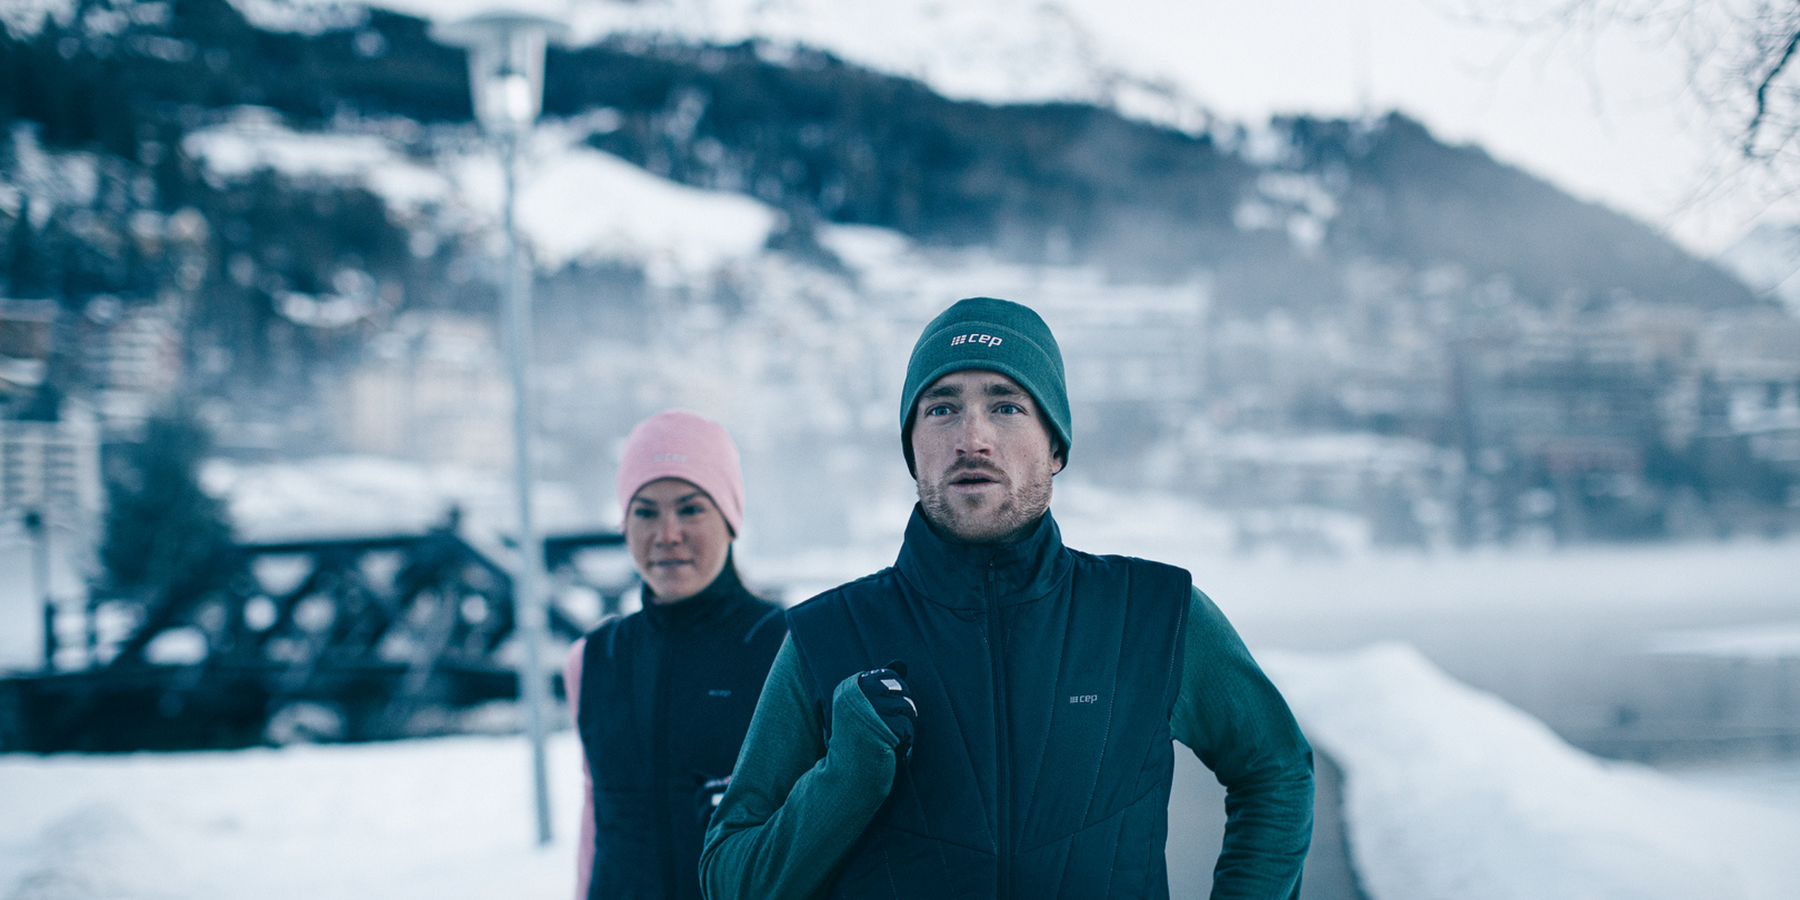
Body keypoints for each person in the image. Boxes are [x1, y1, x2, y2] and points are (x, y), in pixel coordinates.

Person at [699, 298, 1314, 900]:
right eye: (942, 408)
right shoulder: (826, 638)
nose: (973, 438)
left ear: (1056, 445)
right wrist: (844, 777)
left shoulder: (1156, 616)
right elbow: (730, 877)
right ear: (912, 449)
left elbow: (1276, 772)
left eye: (1006, 406)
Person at [564, 410, 787, 900]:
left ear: (730, 518)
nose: (667, 534)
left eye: (690, 509)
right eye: (645, 512)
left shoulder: (789, 647)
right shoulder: (593, 658)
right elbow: (596, 817)